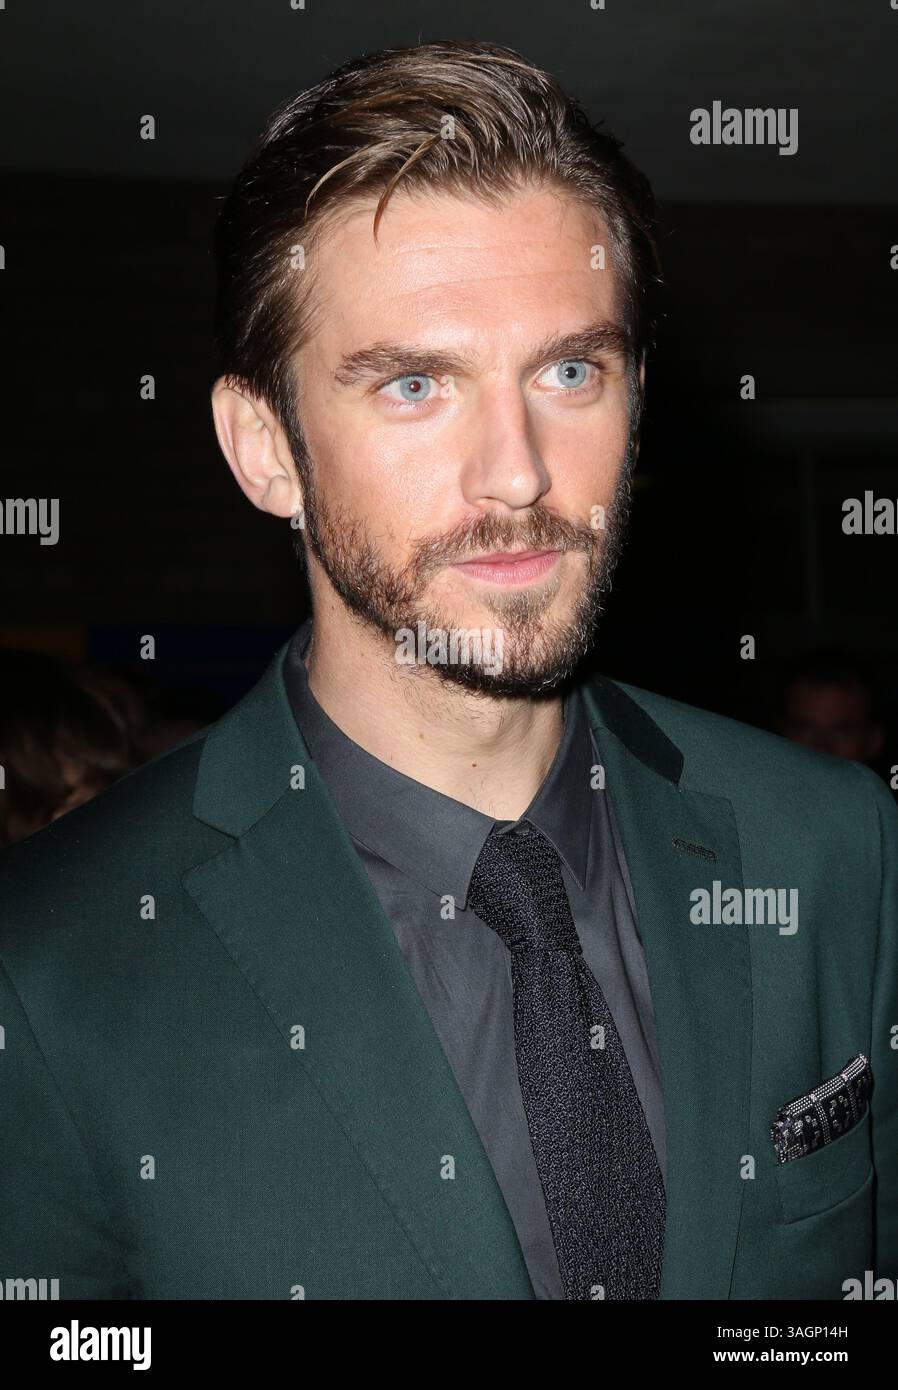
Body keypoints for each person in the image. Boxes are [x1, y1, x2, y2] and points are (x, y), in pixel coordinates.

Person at [1, 40, 895, 1302]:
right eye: (415, 384)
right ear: (265, 448)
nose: (518, 473)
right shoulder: (46, 966)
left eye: (569, 370)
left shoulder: (837, 849)